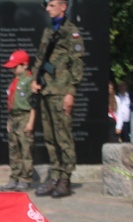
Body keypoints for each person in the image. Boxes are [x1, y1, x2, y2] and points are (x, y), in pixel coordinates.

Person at [32, 0, 84, 199]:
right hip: (46, 90)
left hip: (62, 92)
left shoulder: (72, 32)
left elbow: (77, 65)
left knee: (63, 137)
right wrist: (35, 80)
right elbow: (40, 58)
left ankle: (65, 179)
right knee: (50, 137)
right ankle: (54, 176)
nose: (47, 9)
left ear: (63, 7)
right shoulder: (48, 31)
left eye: (51, 5)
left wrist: (71, 93)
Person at [0, 50, 36, 192]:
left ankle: (25, 179)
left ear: (25, 65)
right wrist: (9, 120)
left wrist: (31, 122)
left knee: (25, 148)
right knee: (14, 149)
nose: (13, 70)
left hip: (25, 116)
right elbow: (12, 102)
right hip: (14, 117)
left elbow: (34, 103)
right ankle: (15, 177)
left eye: (16, 67)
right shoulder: (15, 81)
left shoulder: (30, 80)